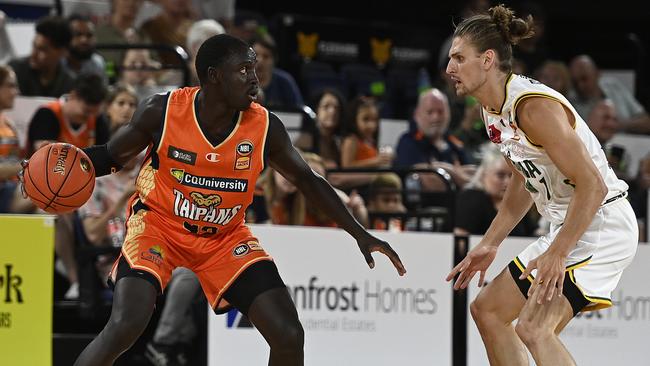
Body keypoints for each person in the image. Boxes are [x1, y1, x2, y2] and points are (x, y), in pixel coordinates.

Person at [37, 34, 405, 366]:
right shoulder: (161, 111)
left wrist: (360, 232)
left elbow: (307, 180)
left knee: (289, 335)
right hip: (158, 227)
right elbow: (110, 157)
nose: (254, 78)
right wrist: (56, 165)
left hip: (223, 238)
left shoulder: (264, 126)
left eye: (255, 69)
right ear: (213, 76)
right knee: (125, 325)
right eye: (244, 69)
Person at [444, 5, 637, 366]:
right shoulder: (493, 110)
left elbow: (592, 185)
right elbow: (523, 179)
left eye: (458, 58)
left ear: (487, 60)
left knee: (534, 328)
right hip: (572, 226)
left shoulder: (532, 108)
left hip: (601, 222)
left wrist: (559, 252)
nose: (449, 68)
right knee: (488, 312)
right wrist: (490, 243)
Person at [454, 143, 537, 237]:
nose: (507, 182)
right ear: (483, 175)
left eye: (512, 176)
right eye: (500, 175)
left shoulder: (517, 202)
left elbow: (532, 234)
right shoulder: (471, 198)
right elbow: (461, 238)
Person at [568, 54, 650, 134]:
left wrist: (619, 125)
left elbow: (646, 122)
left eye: (584, 79)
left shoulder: (614, 87)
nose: (580, 86)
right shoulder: (571, 103)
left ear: (597, 74)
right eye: (575, 82)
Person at [8, 15, 75, 98]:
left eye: (42, 49)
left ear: (63, 52)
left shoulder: (69, 85)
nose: (33, 54)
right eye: (34, 46)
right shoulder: (13, 72)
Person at [0, 65, 34, 214]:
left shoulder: (9, 124)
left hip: (11, 189)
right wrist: (32, 165)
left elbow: (15, 161)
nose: (17, 92)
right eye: (11, 85)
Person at [250, 33, 305, 111]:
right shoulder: (241, 80)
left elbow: (298, 111)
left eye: (266, 56)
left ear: (274, 60)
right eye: (256, 55)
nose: (260, 60)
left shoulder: (285, 81)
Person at [64, 14, 107, 84]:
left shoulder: (98, 63)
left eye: (89, 35)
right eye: (78, 34)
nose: (84, 40)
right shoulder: (57, 63)